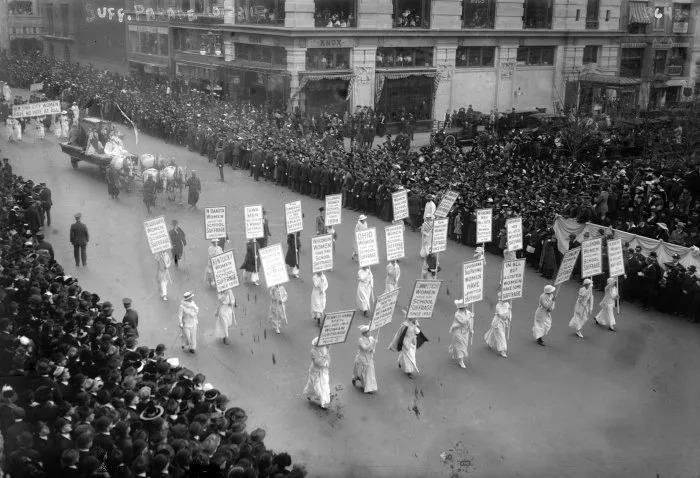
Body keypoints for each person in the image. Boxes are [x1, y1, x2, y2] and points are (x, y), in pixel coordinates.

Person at [389, 313, 425, 378]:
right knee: (409, 357)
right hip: (406, 342)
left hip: (413, 343)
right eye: (414, 317)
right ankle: (409, 371)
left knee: (410, 355)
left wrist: (416, 325)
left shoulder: (415, 324)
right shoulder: (405, 325)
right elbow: (399, 334)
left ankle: (399, 361)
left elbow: (418, 332)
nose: (415, 318)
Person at [303, 337, 331, 409]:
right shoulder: (313, 351)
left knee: (324, 385)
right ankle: (320, 400)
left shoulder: (325, 348)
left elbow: (328, 355)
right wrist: (325, 359)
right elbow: (317, 362)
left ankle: (324, 402)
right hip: (316, 371)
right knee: (317, 386)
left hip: (323, 371)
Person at [484, 292, 511, 357]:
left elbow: (509, 314)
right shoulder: (498, 306)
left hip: (503, 323)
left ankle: (489, 342)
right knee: (501, 336)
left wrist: (510, 316)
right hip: (498, 323)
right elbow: (502, 316)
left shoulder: (507, 304)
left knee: (493, 334)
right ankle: (502, 350)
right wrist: (508, 312)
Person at [351, 325, 377, 394]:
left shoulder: (371, 338)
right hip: (362, 358)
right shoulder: (361, 340)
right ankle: (354, 378)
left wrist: (373, 346)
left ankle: (368, 387)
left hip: (369, 358)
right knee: (361, 372)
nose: (370, 332)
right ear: (364, 333)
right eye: (368, 332)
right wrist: (372, 343)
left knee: (369, 373)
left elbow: (372, 349)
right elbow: (364, 348)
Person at [449, 299, 474, 368]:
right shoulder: (457, 314)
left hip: (465, 332)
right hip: (458, 332)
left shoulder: (468, 312)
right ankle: (461, 361)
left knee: (463, 344)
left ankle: (455, 352)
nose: (466, 307)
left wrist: (471, 329)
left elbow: (470, 322)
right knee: (461, 345)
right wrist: (470, 317)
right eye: (465, 306)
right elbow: (464, 322)